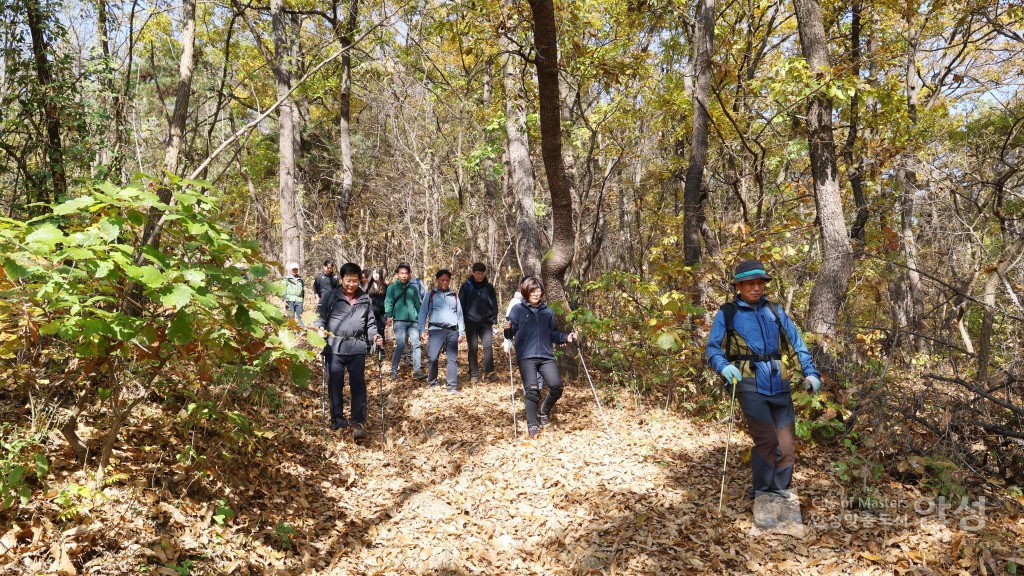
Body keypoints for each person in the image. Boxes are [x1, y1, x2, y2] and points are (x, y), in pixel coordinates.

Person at [705, 259, 821, 529]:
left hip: (778, 381)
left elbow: (796, 343)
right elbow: (712, 349)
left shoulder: (775, 311)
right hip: (746, 381)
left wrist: (810, 372)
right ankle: (763, 500)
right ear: (739, 286)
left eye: (760, 283)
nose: (756, 288)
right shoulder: (728, 312)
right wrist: (724, 368)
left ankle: (779, 492)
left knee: (787, 445)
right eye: (750, 283)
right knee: (767, 440)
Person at [314, 262, 382, 443]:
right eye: (348, 280)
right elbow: (318, 318)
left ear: (360, 280)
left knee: (358, 385)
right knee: (335, 384)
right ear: (341, 278)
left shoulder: (364, 299)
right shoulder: (330, 296)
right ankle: (338, 421)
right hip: (333, 347)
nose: (352, 284)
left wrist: (375, 336)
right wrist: (320, 329)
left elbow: (370, 324)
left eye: (355, 281)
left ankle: (358, 421)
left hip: (357, 347)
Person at [503, 276, 577, 437]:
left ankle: (544, 411)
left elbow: (553, 334)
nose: (536, 294)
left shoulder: (547, 311)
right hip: (527, 356)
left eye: (538, 290)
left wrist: (566, 338)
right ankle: (532, 424)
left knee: (557, 387)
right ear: (526, 291)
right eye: (532, 291)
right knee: (532, 390)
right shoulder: (518, 310)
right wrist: (507, 328)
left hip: (545, 355)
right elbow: (510, 333)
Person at [418, 269, 466, 393]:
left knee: (452, 359)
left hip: (452, 331)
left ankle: (451, 386)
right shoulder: (430, 294)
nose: (444, 282)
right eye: (442, 280)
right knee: (433, 357)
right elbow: (423, 313)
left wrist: (461, 332)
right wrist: (421, 330)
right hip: (436, 330)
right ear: (437, 280)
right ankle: (432, 382)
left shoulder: (454, 295)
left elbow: (460, 315)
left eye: (447, 280)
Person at [384, 263, 426, 380]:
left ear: (409, 274)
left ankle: (417, 370)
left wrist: (421, 320)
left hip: (413, 321)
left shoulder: (412, 288)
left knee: (416, 344)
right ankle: (393, 371)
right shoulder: (392, 288)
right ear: (397, 274)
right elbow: (388, 302)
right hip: (399, 321)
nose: (404, 276)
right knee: (401, 344)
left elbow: (418, 305)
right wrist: (389, 315)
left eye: (406, 273)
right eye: (402, 273)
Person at [459, 262, 498, 383]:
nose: (480, 276)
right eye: (477, 273)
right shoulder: (466, 286)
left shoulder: (489, 287)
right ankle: (474, 373)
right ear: (473, 273)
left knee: (488, 347)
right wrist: (462, 321)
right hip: (471, 323)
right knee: (473, 348)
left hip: (486, 323)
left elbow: (494, 304)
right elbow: (460, 305)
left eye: (482, 273)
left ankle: (489, 372)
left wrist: (494, 320)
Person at [365, 267, 388, 343]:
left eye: (377, 273)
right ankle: (370, 347)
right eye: (374, 273)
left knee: (381, 329)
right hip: (371, 312)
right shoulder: (368, 286)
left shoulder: (385, 286)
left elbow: (388, 300)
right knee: (371, 329)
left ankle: (380, 350)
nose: (376, 275)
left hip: (382, 312)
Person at [282, 262, 305, 327]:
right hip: (289, 300)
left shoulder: (300, 280)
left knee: (300, 316)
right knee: (290, 316)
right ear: (290, 270)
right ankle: (291, 330)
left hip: (299, 300)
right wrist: (284, 299)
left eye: (296, 269)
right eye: (293, 269)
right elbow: (283, 289)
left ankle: (301, 330)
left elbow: (303, 291)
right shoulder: (286, 279)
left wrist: (303, 301)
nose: (294, 271)